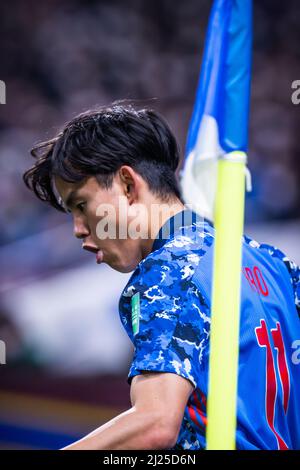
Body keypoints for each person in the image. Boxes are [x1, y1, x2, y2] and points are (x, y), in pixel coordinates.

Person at [23, 103, 300, 450]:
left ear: (127, 185)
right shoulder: (275, 263)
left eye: (81, 206)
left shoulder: (167, 273)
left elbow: (154, 423)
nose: (78, 230)